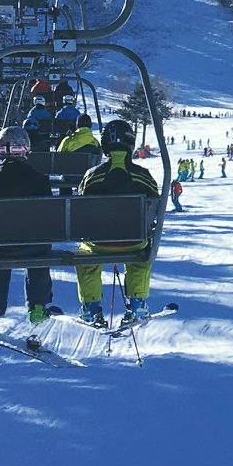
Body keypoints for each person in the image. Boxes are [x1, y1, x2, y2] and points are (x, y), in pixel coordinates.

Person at [73, 119, 161, 327]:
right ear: (131, 144)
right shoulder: (143, 176)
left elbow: (80, 204)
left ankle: (91, 307)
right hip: (134, 241)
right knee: (140, 258)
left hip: (97, 244)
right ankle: (137, 302)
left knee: (85, 257)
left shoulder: (92, 176)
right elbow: (155, 204)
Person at [0, 125, 53, 331]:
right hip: (32, 246)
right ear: (26, 149)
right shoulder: (39, 181)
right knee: (39, 254)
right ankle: (37, 308)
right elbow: (48, 215)